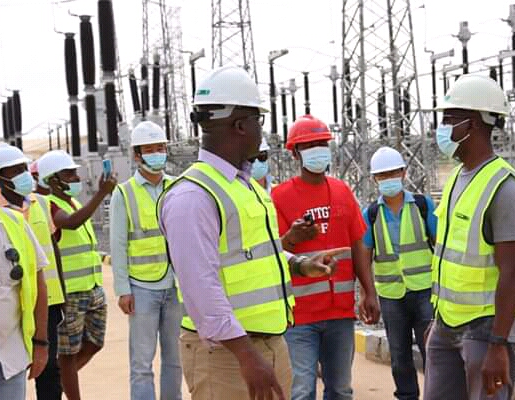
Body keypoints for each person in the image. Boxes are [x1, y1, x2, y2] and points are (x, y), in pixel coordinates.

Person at [158, 65, 345, 400]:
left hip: (267, 344)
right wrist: (247, 356)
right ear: (240, 125)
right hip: (227, 356)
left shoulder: (245, 187)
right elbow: (200, 287)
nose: (262, 130)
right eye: (259, 120)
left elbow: (253, 255)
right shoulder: (193, 196)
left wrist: (300, 264)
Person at [423, 75, 515, 400]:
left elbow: (512, 271)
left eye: (448, 119)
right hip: (447, 324)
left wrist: (499, 344)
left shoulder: (505, 188)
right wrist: (438, 320)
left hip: (485, 329)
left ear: (473, 123)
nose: (442, 128)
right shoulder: (458, 177)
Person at [271, 114, 380, 400]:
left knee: (340, 390)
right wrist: (292, 238)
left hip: (339, 313)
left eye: (322, 143)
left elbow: (358, 244)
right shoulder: (279, 197)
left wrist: (368, 291)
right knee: (301, 390)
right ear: (295, 153)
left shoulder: (342, 192)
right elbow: (271, 252)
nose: (317, 150)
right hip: (300, 316)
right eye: (309, 145)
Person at [109, 121, 182, 400]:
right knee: (141, 364)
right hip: (142, 288)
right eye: (149, 150)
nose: (156, 154)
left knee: (175, 358)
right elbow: (118, 244)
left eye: (160, 148)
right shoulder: (123, 193)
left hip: (176, 285)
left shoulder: (177, 186)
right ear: (137, 155)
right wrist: (123, 289)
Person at [37, 150, 116, 400]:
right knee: (68, 353)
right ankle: (69, 388)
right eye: (68, 174)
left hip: (92, 286)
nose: (76, 177)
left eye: (75, 172)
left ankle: (60, 379)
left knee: (95, 343)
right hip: (70, 291)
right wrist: (101, 193)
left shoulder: (75, 203)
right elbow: (70, 223)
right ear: (52, 180)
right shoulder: (50, 206)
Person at [362, 146, 436, 400]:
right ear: (375, 179)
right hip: (391, 295)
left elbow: (440, 245)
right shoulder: (371, 214)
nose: (388, 179)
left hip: (425, 290)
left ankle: (436, 394)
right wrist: (368, 294)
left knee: (432, 352)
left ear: (404, 173)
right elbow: (364, 255)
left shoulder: (423, 206)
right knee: (399, 355)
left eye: (393, 173)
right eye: (383, 175)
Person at [0, 145, 65, 400]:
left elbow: (38, 279)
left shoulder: (14, 222)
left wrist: (41, 343)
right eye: (16, 170)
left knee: (51, 376)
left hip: (8, 354)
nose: (23, 175)